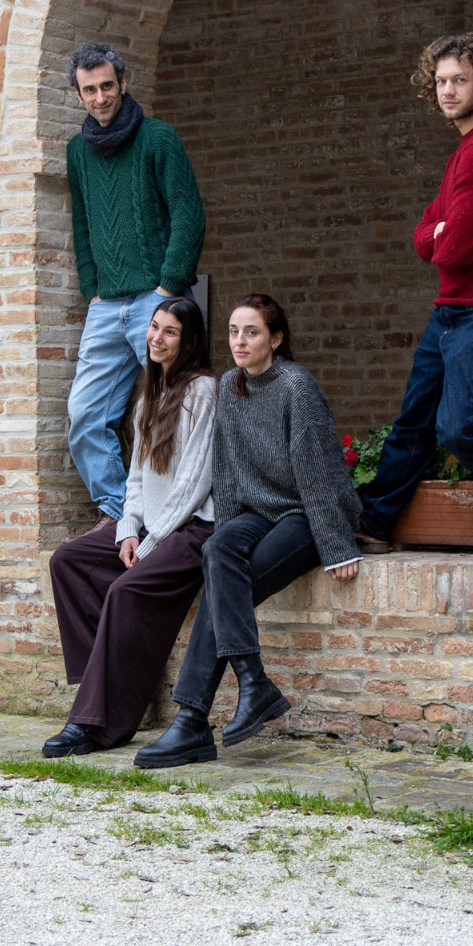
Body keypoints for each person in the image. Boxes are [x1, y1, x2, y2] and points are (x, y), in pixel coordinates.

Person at [135, 294, 362, 769]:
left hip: (302, 514)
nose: (240, 341)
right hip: (258, 513)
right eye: (234, 332)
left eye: (252, 332)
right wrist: (231, 528)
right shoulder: (231, 387)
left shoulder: (296, 388)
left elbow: (319, 472)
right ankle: (253, 682)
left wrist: (338, 546)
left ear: (275, 339)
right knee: (219, 549)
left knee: (222, 594)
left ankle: (192, 720)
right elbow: (231, 471)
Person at [44, 296, 217, 757]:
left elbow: (195, 481)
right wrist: (127, 531)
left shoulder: (203, 391)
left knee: (123, 590)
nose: (157, 338)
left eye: (170, 332)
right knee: (70, 560)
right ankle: (107, 689)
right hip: (153, 529)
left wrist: (153, 540)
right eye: (154, 328)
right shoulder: (149, 393)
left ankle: (98, 723)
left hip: (192, 530)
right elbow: (138, 476)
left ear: (189, 340)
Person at [354, 34, 473, 550]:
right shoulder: (462, 150)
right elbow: (425, 237)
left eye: (460, 79)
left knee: (457, 428)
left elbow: (451, 250)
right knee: (412, 424)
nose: (448, 90)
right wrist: (438, 232)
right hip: (447, 313)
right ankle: (374, 524)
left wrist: (442, 234)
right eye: (440, 81)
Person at [64, 42, 206, 529]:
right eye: (89, 90)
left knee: (173, 411)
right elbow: (82, 226)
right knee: (84, 415)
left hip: (156, 298)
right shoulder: (77, 153)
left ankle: (182, 511)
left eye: (107, 86)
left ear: (123, 83)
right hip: (107, 305)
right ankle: (115, 508)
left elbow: (188, 215)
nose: (100, 97)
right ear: (78, 95)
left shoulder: (158, 138)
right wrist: (92, 289)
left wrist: (169, 287)